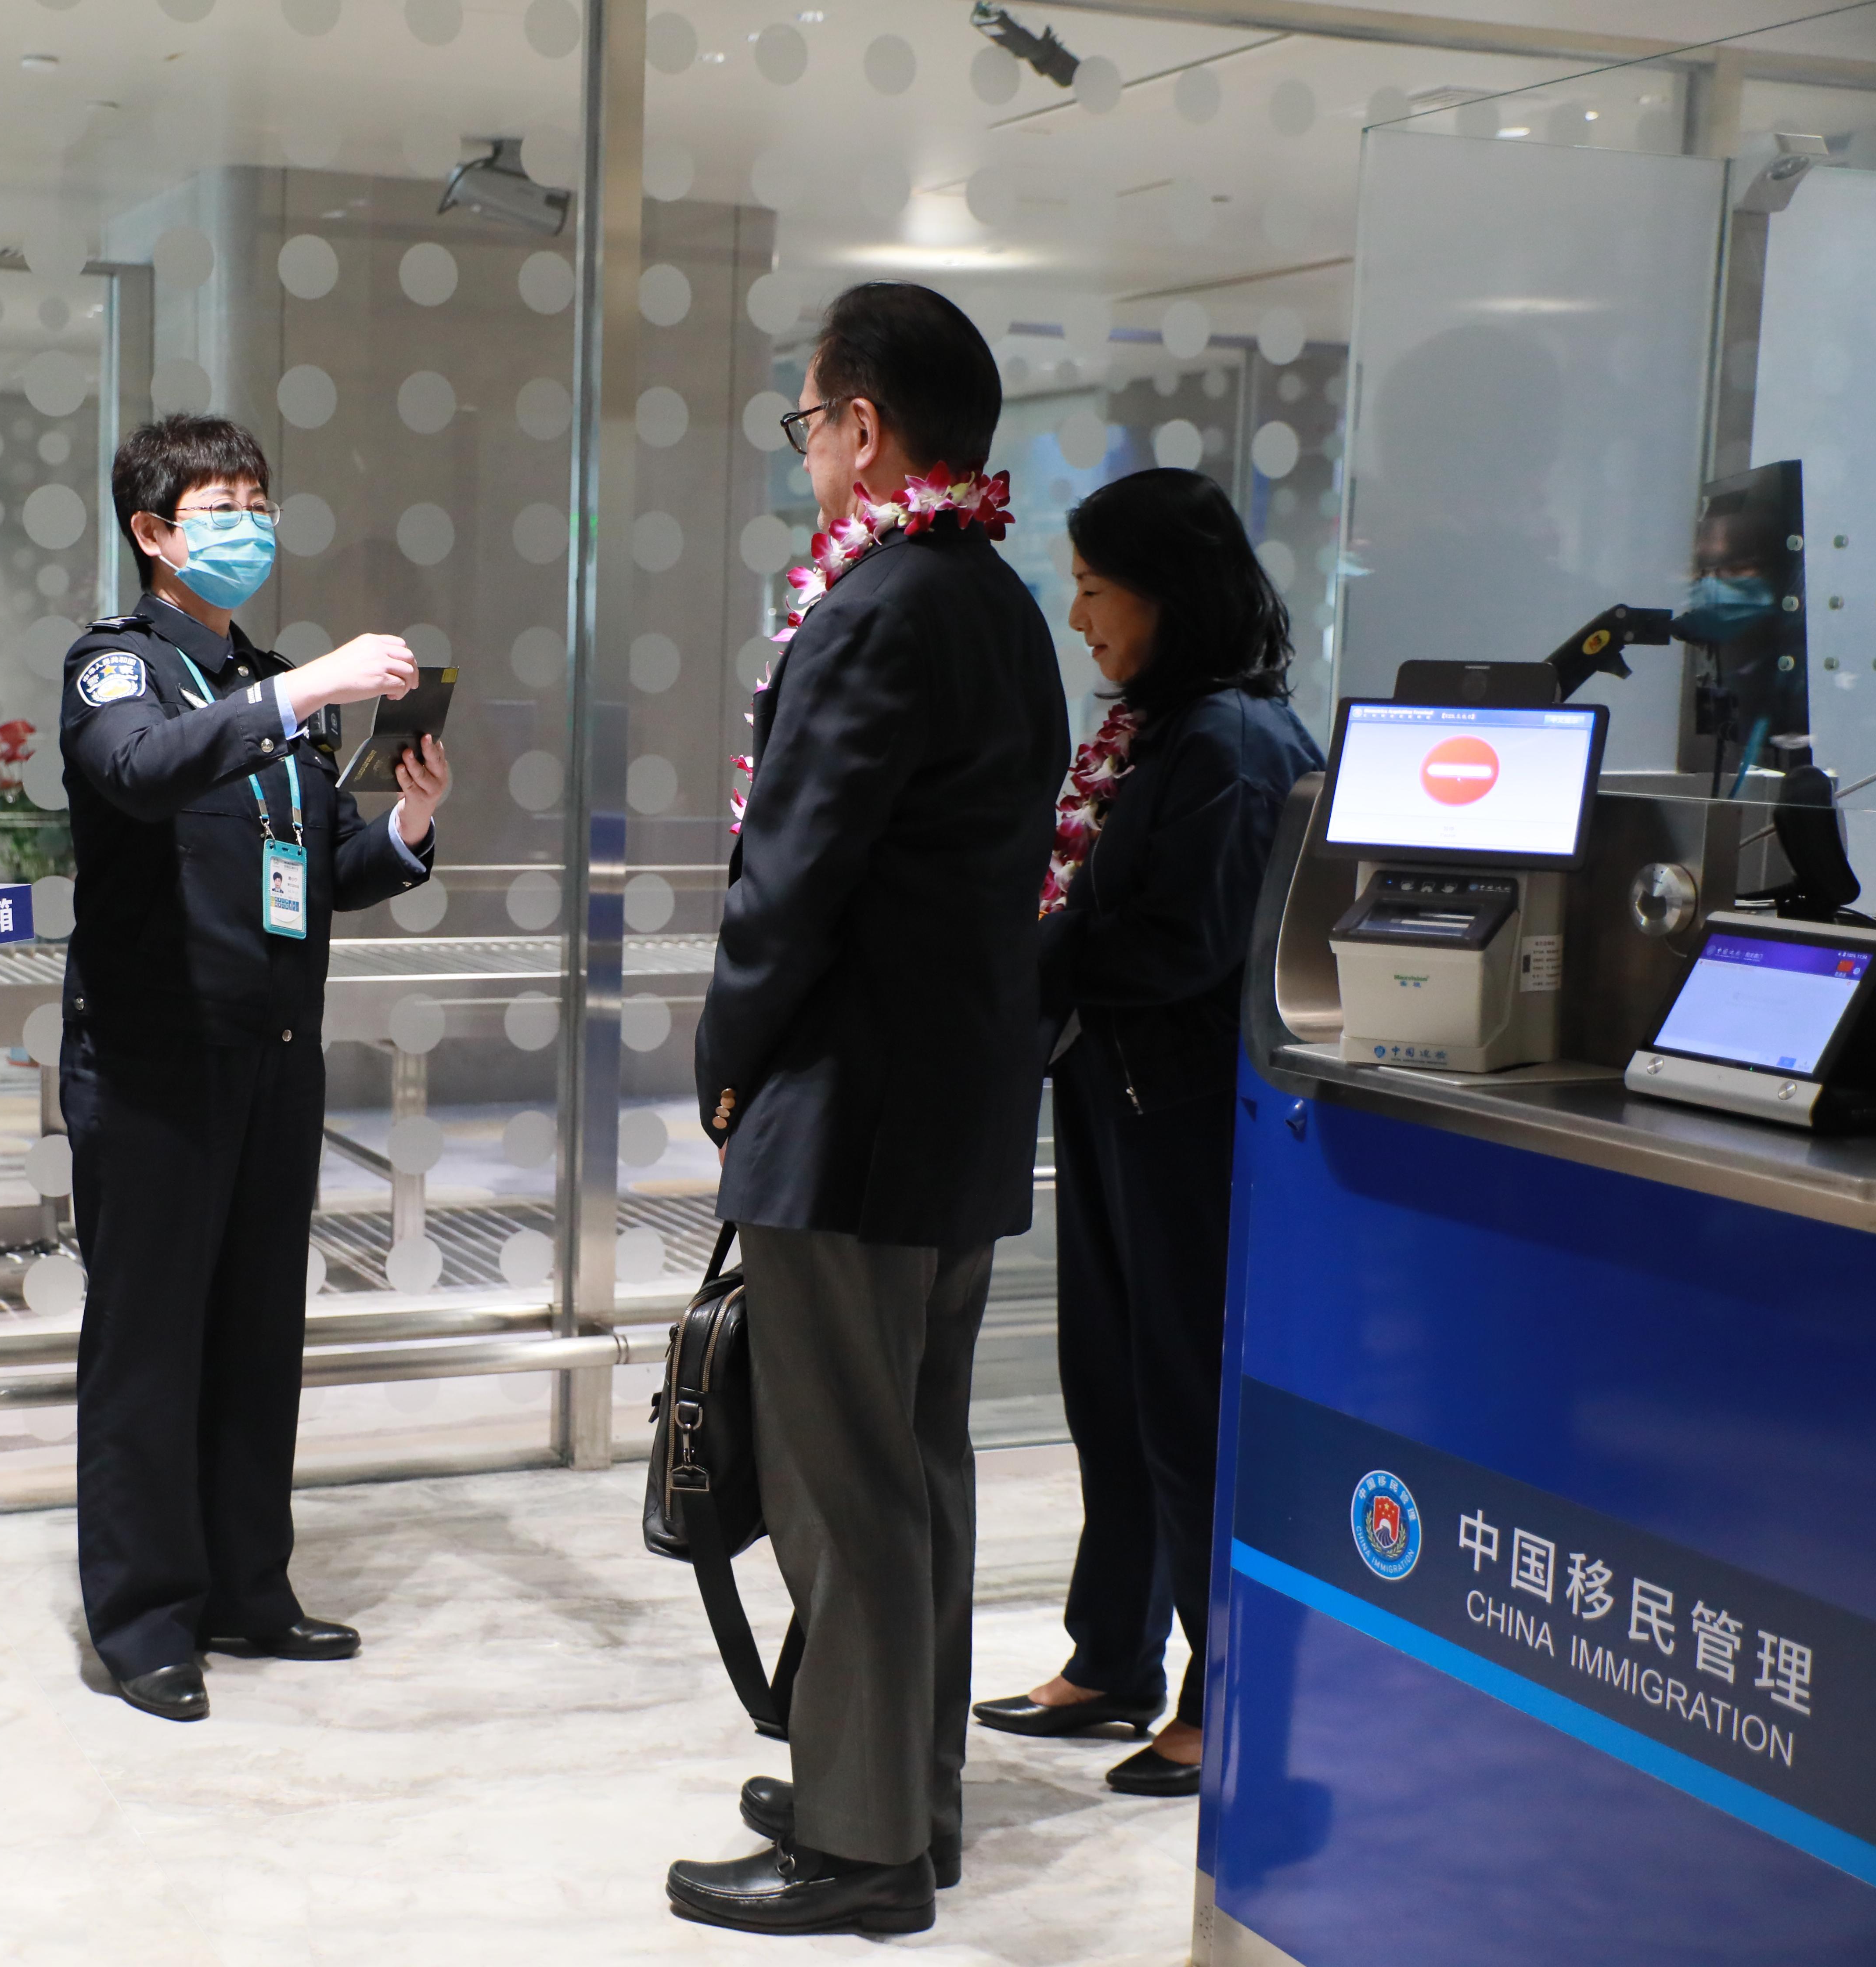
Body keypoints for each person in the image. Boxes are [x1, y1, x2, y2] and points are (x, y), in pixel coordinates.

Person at [671, 284, 1067, 1937]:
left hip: (844, 1115)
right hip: (954, 1112)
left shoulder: (875, 607)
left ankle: (858, 1848)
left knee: (842, 1491)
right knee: (914, 1469)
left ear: (862, 426)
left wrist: (724, 1052)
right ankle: (907, 1790)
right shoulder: (999, 608)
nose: (807, 456)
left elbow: (791, 876)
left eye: (808, 424)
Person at [59, 412, 451, 1723]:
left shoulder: (272, 684)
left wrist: (410, 818)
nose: (249, 527)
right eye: (219, 509)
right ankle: (143, 1618)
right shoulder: (119, 669)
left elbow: (323, 867)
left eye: (257, 504)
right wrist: (305, 691)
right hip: (156, 1061)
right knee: (148, 1347)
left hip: (274, 1053)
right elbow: (138, 774)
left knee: (253, 1336)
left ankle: (246, 1587)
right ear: (152, 532)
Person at [978, 467, 1323, 1798]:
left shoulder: (1230, 740)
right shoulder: (1162, 727)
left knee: (1181, 1400)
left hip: (1185, 1119)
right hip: (1117, 1097)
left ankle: (1218, 1688)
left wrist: (1030, 956)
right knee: (1110, 1388)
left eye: (1092, 588)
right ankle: (1111, 1651)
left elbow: (1182, 940)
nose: (1078, 617)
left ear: (1167, 594)